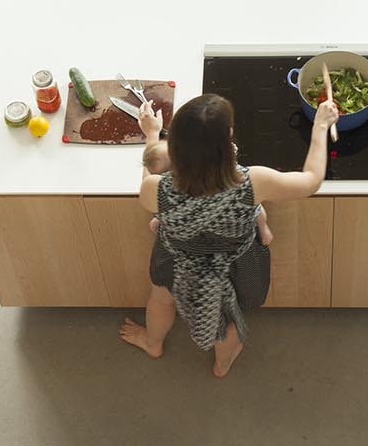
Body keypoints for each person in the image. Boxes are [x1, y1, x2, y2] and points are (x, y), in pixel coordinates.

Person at [120, 93, 337, 377]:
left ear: (174, 146)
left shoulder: (156, 189)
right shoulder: (252, 182)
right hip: (235, 265)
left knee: (161, 299)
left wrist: (150, 134)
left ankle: (153, 343)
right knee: (228, 318)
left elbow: (150, 173)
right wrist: (320, 126)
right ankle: (222, 364)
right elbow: (310, 181)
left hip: (176, 259)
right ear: (227, 145)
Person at [142, 139, 271, 249]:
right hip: (219, 225)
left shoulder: (165, 191)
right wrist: (228, 157)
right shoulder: (195, 176)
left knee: (162, 216)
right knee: (256, 207)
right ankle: (263, 227)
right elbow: (228, 176)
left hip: (181, 221)